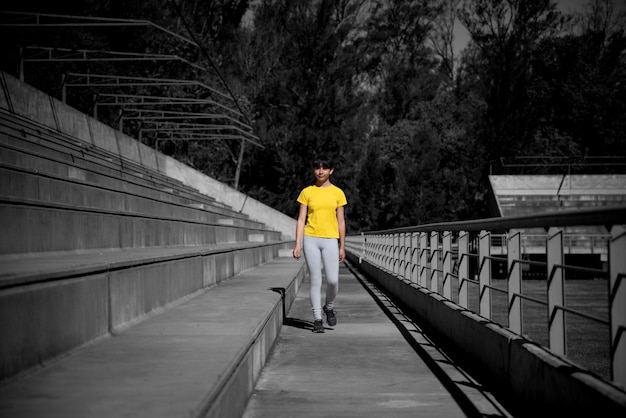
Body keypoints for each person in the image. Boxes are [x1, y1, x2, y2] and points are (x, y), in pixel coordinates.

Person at [293, 157, 347, 333]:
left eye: (325, 168)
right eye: (317, 168)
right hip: (311, 238)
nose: (321, 171)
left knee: (332, 280)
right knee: (315, 279)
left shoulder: (338, 193)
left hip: (331, 239)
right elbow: (301, 219)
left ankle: (329, 307)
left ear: (331, 170)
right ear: (313, 170)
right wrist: (297, 244)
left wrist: (342, 246)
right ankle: (317, 319)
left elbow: (341, 221)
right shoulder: (307, 192)